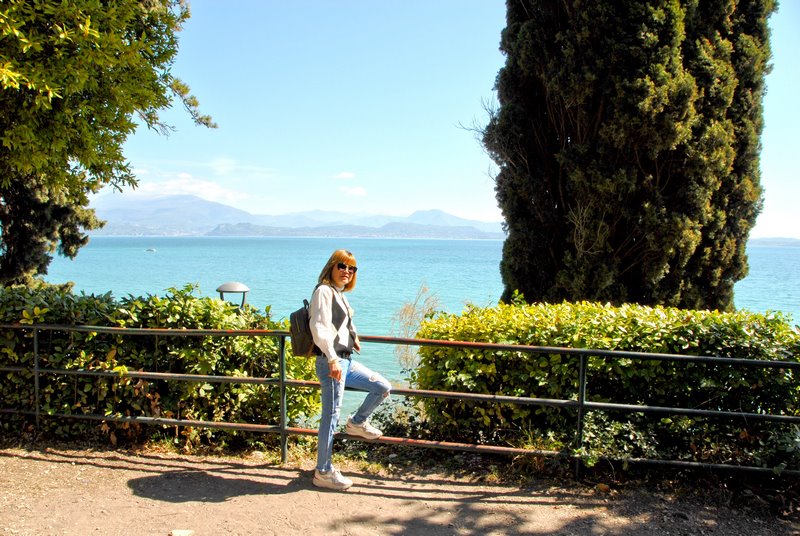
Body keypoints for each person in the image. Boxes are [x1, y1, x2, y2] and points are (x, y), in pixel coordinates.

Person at [309, 249, 391, 491]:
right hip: (332, 362)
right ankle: (323, 471)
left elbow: (342, 322)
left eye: (352, 268)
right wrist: (332, 359)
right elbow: (319, 327)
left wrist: (353, 337)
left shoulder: (338, 294)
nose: (347, 271)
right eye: (342, 266)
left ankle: (357, 422)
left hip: (346, 361)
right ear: (331, 267)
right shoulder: (324, 291)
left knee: (382, 387)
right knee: (331, 416)